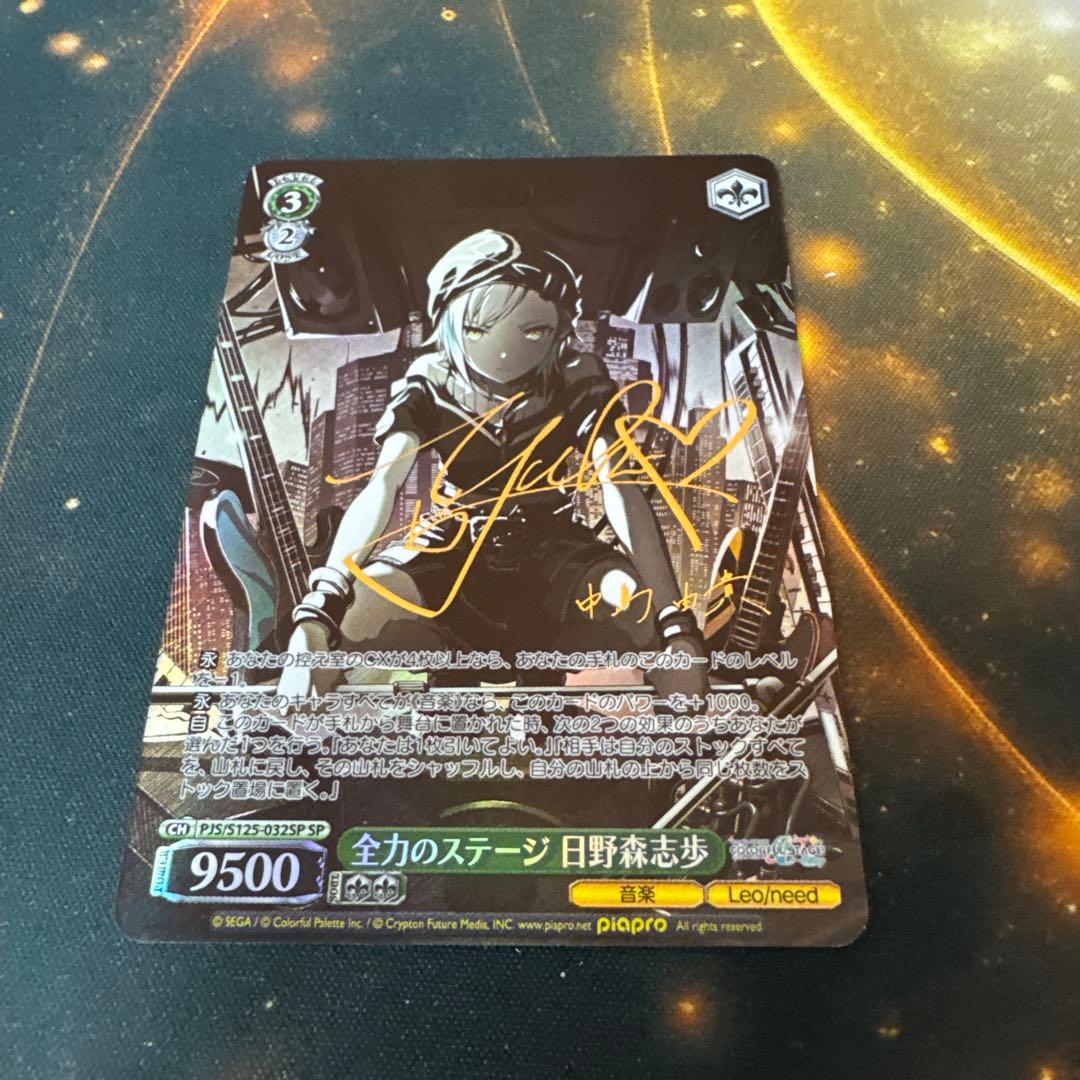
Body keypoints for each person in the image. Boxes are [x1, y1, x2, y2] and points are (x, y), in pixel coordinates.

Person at [278, 228, 707, 698]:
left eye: (533, 331)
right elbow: (382, 485)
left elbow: (619, 484)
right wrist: (320, 610)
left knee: (630, 604)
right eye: (479, 330)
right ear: (451, 324)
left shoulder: (577, 377)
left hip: (553, 551)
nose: (503, 351)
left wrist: (675, 626)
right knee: (356, 614)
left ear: (560, 330)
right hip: (449, 549)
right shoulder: (430, 377)